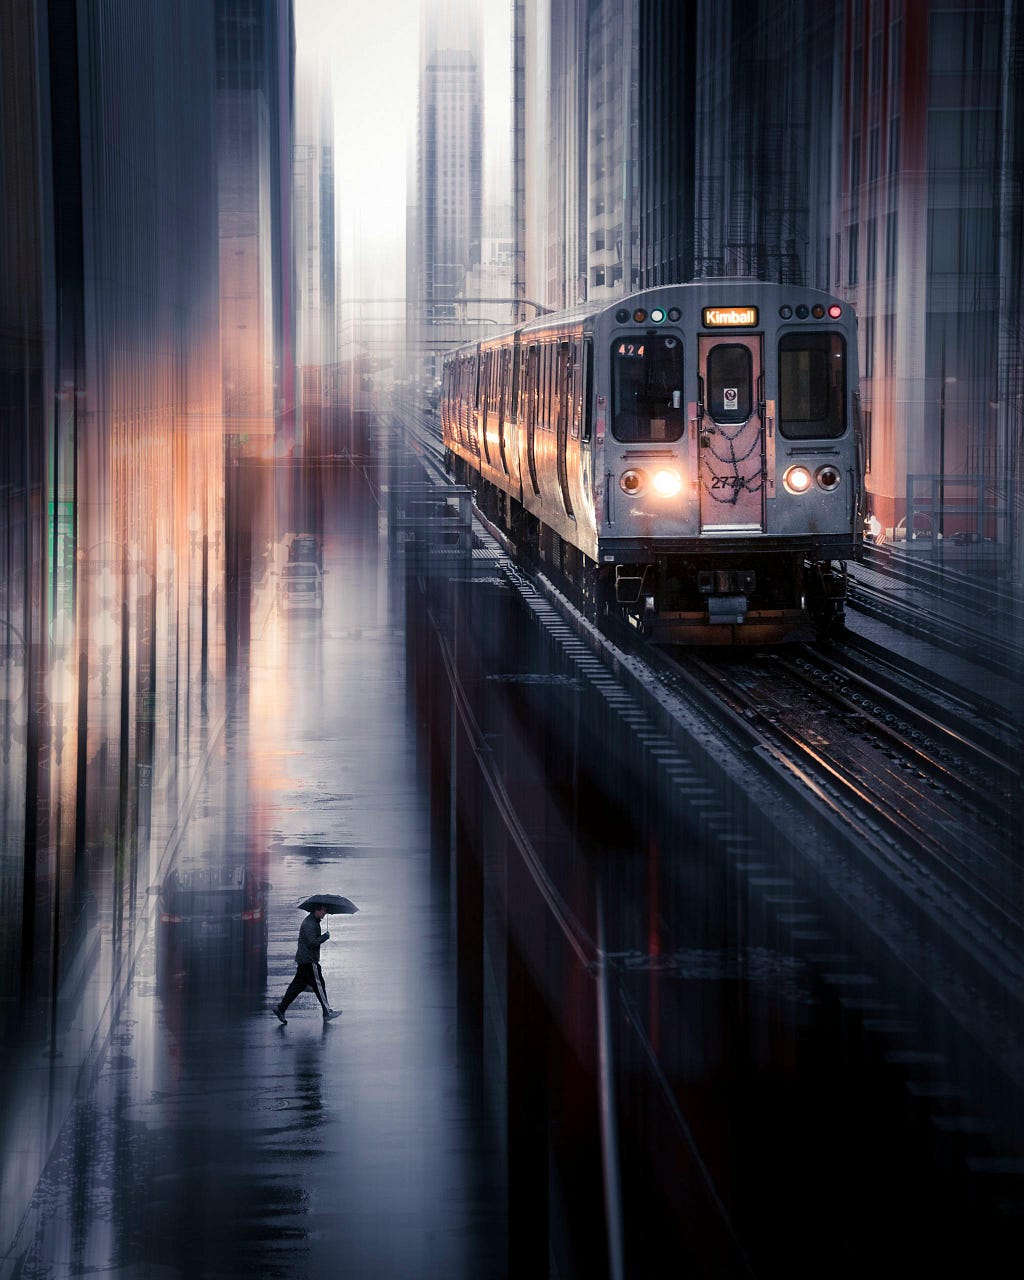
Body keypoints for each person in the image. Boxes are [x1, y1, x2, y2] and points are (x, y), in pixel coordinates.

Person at [272, 904, 341, 1023]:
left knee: (296, 987)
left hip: (304, 960)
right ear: (317, 910)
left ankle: (281, 1009)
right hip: (309, 961)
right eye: (324, 910)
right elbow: (311, 943)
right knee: (320, 986)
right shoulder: (309, 924)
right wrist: (325, 937)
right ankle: (327, 1012)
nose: (325, 913)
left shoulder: (313, 921)